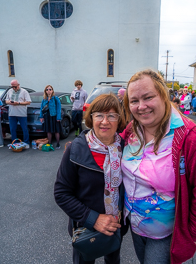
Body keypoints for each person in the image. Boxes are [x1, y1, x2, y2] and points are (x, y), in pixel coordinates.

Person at [121, 69, 196, 264]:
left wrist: (192, 236)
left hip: (167, 233)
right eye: (134, 101)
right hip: (135, 226)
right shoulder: (131, 131)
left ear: (164, 95)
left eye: (148, 97)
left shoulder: (192, 140)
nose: (141, 106)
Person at [54, 93, 127, 264]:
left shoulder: (127, 149)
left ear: (119, 119)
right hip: (85, 227)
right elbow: (61, 193)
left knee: (113, 261)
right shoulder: (75, 149)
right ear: (91, 118)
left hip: (115, 227)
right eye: (99, 115)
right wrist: (93, 219)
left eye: (111, 115)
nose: (105, 121)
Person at [5, 79, 32, 148]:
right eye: (12, 87)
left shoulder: (24, 92)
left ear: (18, 85)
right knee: (12, 129)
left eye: (15, 87)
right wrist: (9, 102)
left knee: (24, 128)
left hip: (21, 113)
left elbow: (28, 102)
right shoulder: (9, 91)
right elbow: (6, 101)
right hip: (12, 113)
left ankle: (26, 142)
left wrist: (19, 103)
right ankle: (14, 142)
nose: (14, 88)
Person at [39, 85, 62, 149]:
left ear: (52, 91)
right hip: (47, 116)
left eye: (50, 89)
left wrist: (58, 117)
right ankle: (50, 143)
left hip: (54, 116)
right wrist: (41, 116)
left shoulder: (55, 98)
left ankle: (58, 143)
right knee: (48, 130)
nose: (48, 91)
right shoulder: (44, 99)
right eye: (47, 89)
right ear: (45, 91)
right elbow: (41, 108)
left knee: (56, 130)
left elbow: (58, 108)